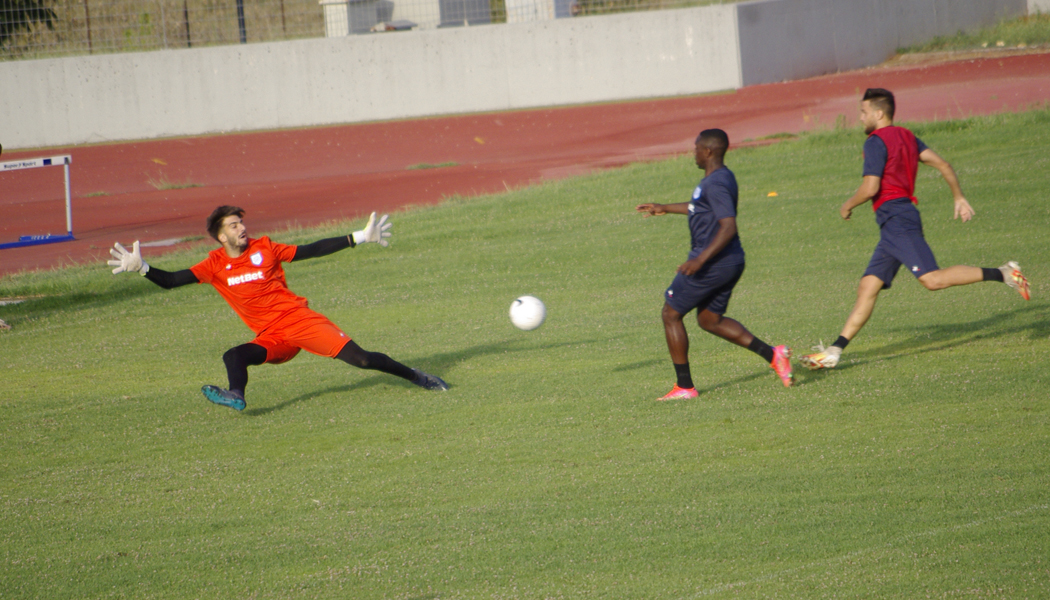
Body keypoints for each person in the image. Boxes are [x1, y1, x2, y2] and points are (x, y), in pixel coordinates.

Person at [108, 206, 448, 411]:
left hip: (301, 321)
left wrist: (359, 236)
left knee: (362, 360)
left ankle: (419, 377)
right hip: (273, 336)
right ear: (220, 237)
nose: (242, 228)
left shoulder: (266, 248)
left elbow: (310, 250)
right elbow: (171, 281)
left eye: (241, 223)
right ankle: (236, 395)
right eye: (234, 225)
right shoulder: (213, 266)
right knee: (234, 356)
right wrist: (142, 269)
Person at [800, 88, 1030, 370]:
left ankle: (1005, 273)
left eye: (863, 112)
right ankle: (834, 352)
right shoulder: (908, 137)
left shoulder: (875, 141)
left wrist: (847, 204)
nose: (860, 118)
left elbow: (870, 187)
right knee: (868, 286)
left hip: (897, 219)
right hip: (894, 223)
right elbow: (943, 164)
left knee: (932, 280)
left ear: (879, 113)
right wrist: (958, 196)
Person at [636, 128, 793, 400]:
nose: (693, 153)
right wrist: (664, 207)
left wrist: (700, 260)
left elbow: (728, 225)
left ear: (708, 151)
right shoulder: (718, 178)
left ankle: (684, 387)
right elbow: (699, 206)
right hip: (730, 261)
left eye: (696, 148)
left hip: (713, 263)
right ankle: (774, 355)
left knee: (670, 313)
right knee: (710, 320)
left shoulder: (716, 183)